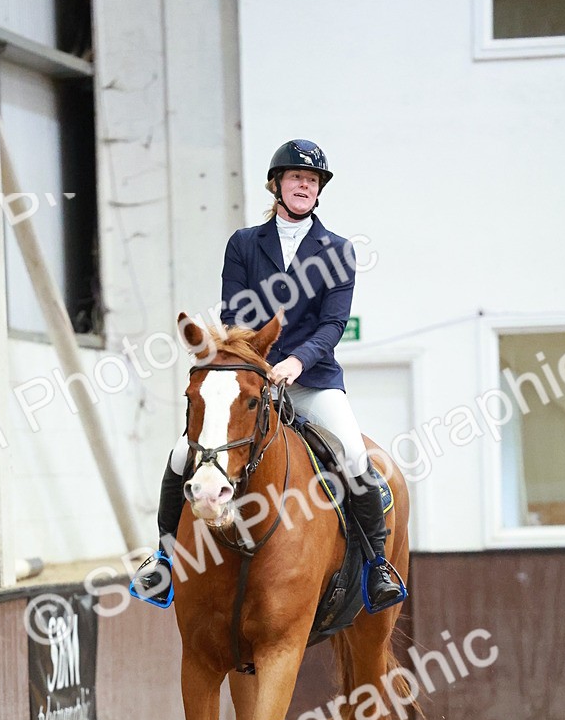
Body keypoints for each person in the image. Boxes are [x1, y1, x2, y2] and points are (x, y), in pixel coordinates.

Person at [131, 138, 403, 611]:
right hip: (252, 375)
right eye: (296, 177)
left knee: (355, 454)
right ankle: (163, 560)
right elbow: (235, 313)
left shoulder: (338, 250)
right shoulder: (243, 244)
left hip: (312, 380)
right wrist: (255, 362)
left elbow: (333, 324)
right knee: (181, 454)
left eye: (312, 180)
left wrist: (296, 361)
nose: (304, 185)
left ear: (319, 191)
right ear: (276, 184)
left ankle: (377, 563)